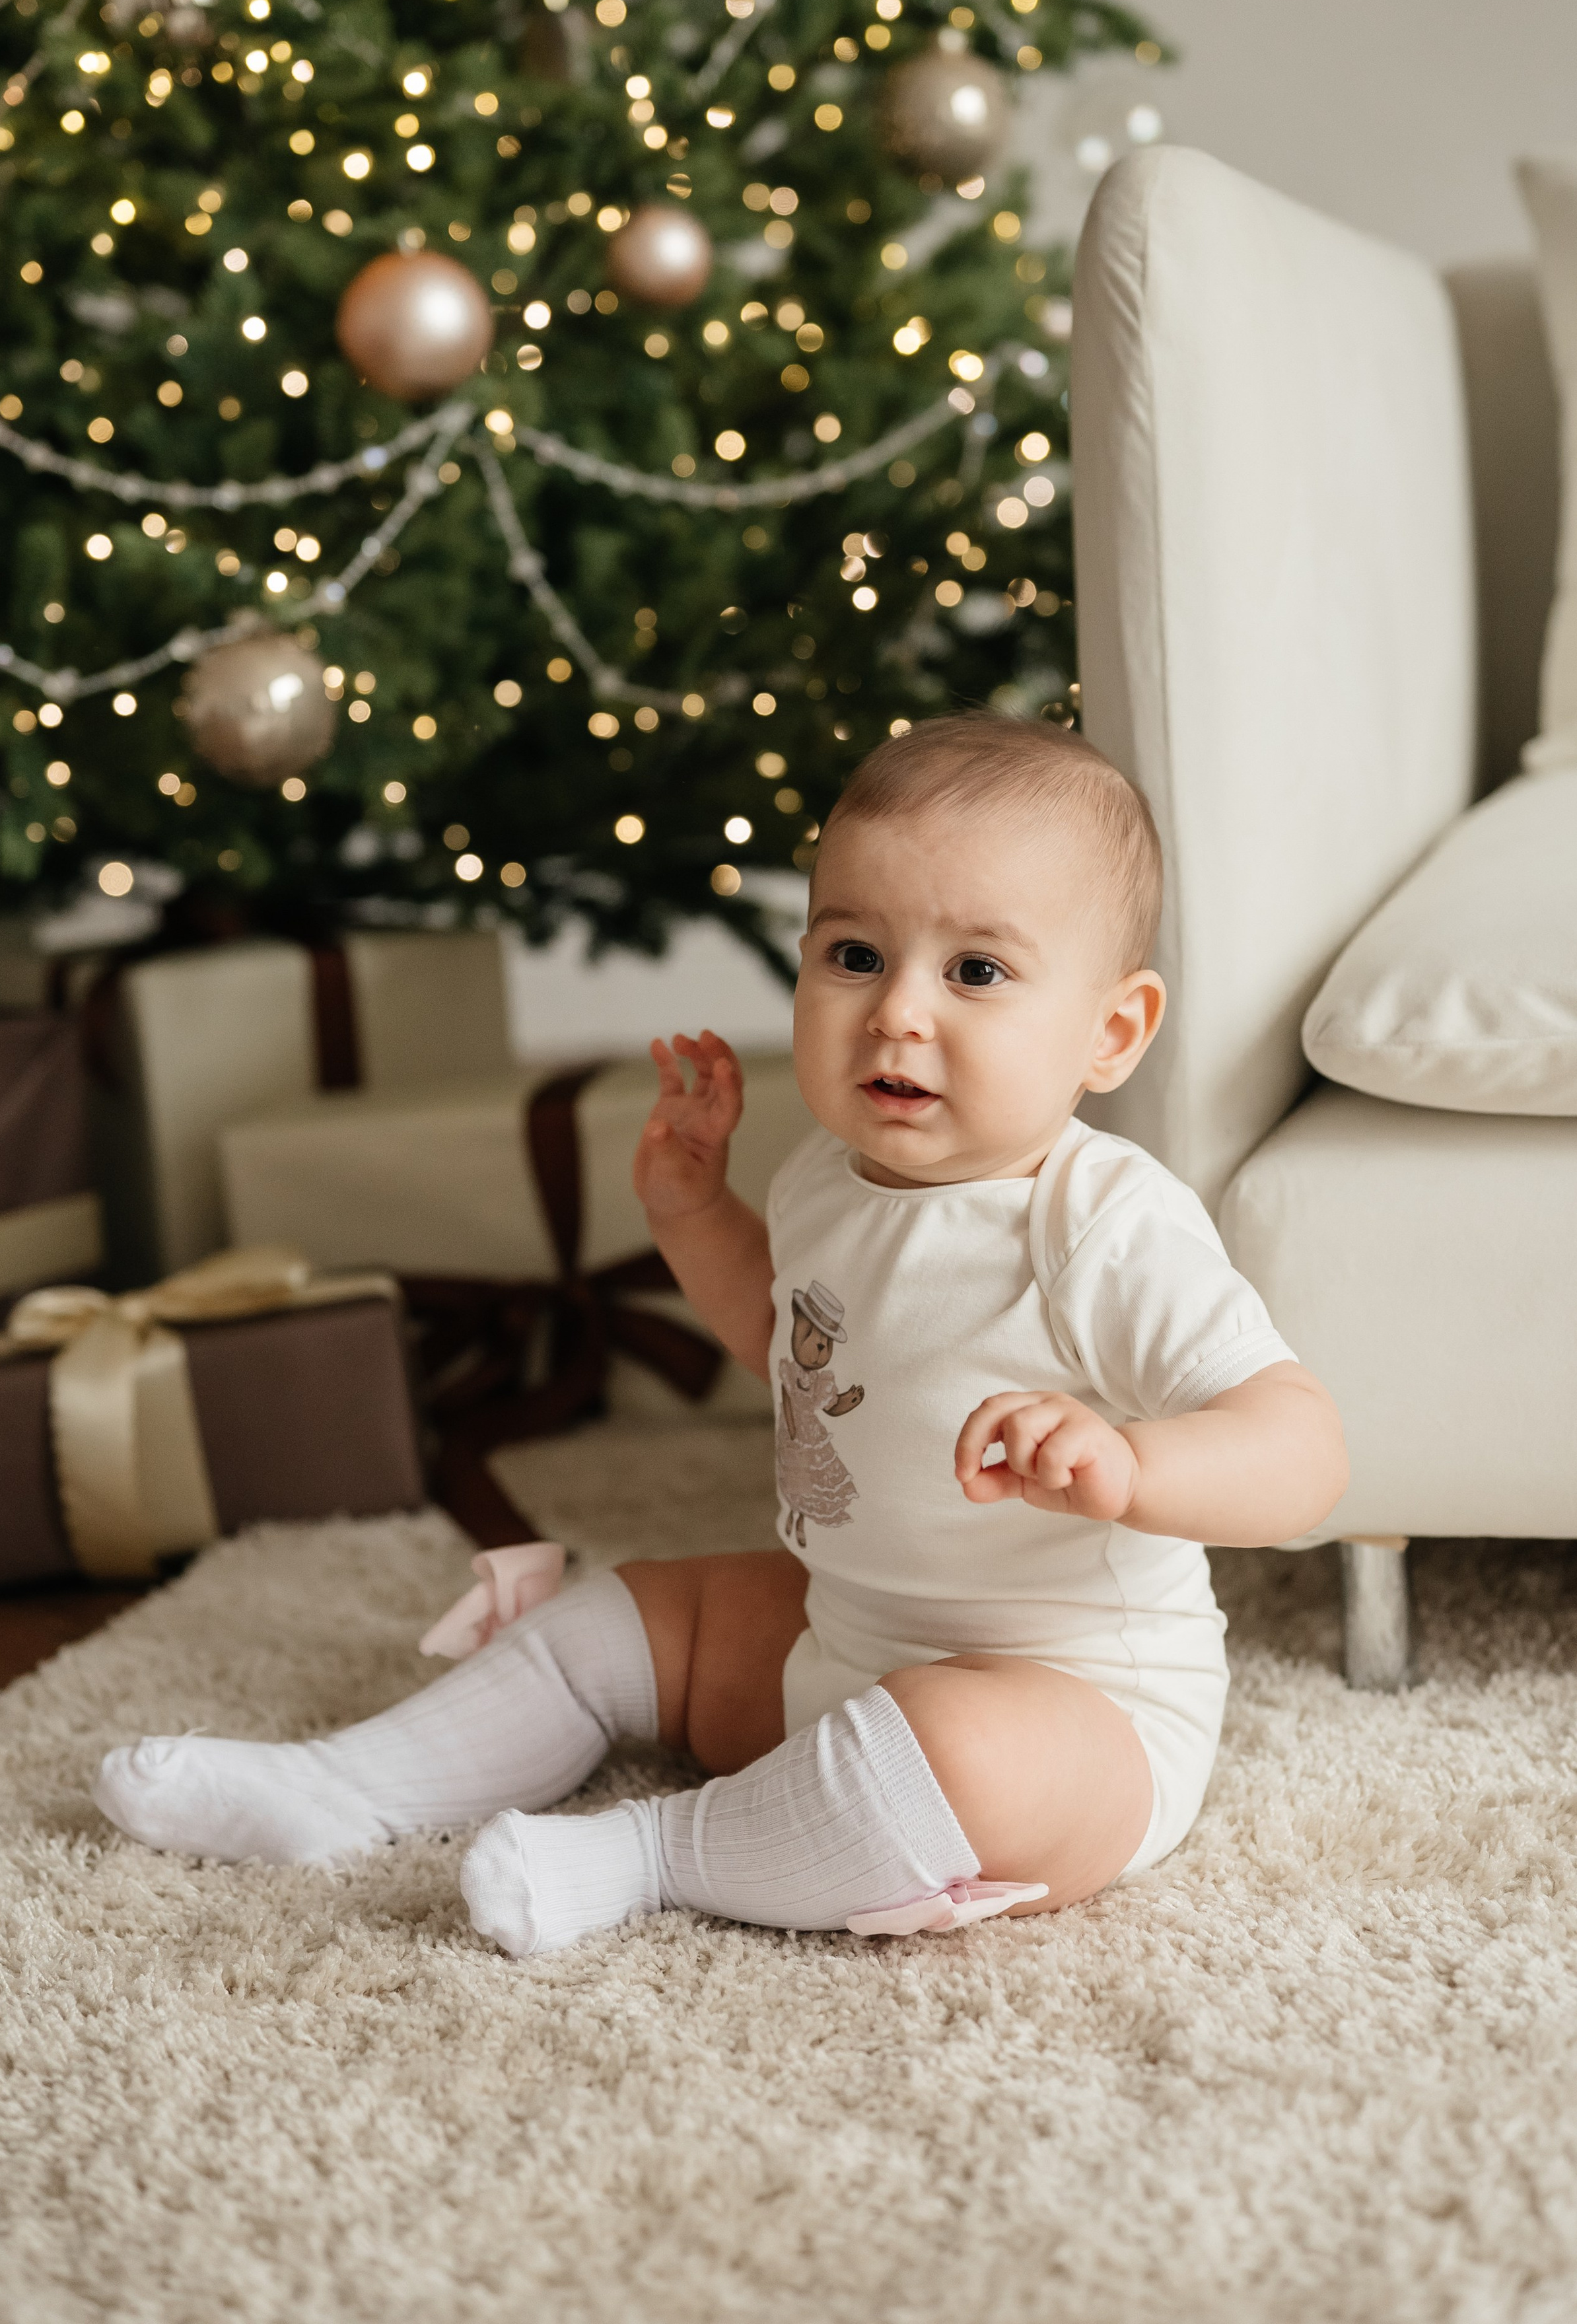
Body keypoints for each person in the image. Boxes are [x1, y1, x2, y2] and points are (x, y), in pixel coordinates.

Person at [94, 715, 1349, 1957]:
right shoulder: (822, 1178)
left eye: (975, 972)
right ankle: (343, 1788)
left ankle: (656, 1855)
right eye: (855, 954)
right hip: (844, 1634)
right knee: (633, 1616)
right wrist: (693, 1214)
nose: (898, 1013)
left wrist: (1132, 1464)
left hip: (1078, 1709)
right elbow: (792, 1348)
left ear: (1110, 1033)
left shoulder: (1102, 1224)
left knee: (961, 1758)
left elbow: (1303, 1450)